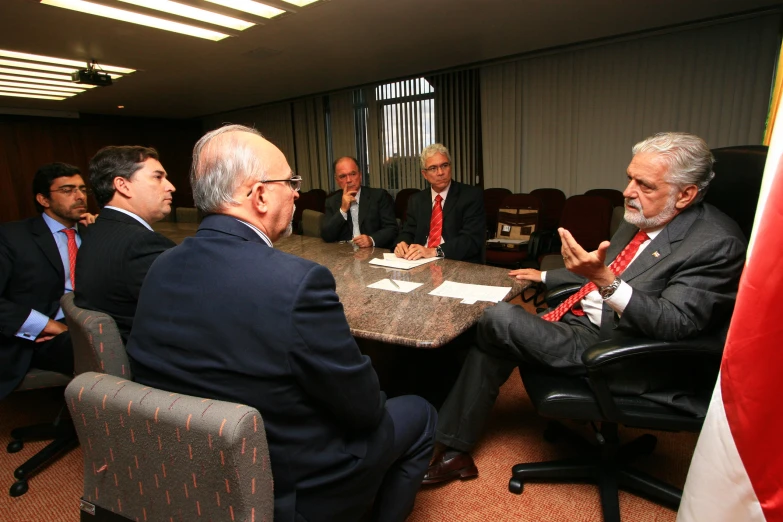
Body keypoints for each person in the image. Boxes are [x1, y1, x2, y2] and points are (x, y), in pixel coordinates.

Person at [126, 124, 436, 522]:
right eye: (289, 181)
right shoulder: (297, 281)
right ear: (258, 195)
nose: (295, 191)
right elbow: (364, 411)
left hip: (194, 469)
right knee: (420, 412)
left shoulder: (159, 267)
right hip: (295, 483)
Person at [424, 132, 747, 484]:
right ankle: (452, 448)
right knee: (494, 337)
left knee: (495, 316)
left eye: (645, 185)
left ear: (685, 194)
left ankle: (445, 435)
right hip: (582, 319)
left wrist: (606, 281)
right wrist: (545, 275)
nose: (628, 192)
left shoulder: (717, 243)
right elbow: (602, 267)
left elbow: (675, 323)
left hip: (621, 351)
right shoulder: (644, 214)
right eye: (629, 178)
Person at [0, 163, 96, 399]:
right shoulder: (12, 237)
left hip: (92, 323)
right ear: (43, 199)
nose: (79, 196)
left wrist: (99, 237)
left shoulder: (92, 232)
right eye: (67, 190)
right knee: (101, 350)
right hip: (42, 335)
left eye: (83, 189)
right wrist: (46, 325)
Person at [73, 146, 176, 343]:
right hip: (146, 360)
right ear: (123, 185)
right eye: (157, 177)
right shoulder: (141, 243)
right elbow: (190, 312)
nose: (170, 186)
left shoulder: (97, 230)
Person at [394, 143, 485, 263]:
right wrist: (402, 244)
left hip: (457, 263)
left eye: (444, 165)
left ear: (450, 167)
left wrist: (434, 251)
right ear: (424, 174)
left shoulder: (471, 196)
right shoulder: (416, 200)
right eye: (433, 168)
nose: (440, 172)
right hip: (420, 263)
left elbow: (471, 239)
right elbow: (408, 231)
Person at [321, 156, 398, 249]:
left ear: (360, 175)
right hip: (344, 256)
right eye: (343, 176)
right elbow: (327, 236)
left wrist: (371, 239)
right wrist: (343, 210)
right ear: (337, 180)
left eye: (353, 174)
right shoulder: (331, 201)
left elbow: (392, 229)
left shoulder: (379, 196)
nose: (349, 180)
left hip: (374, 253)